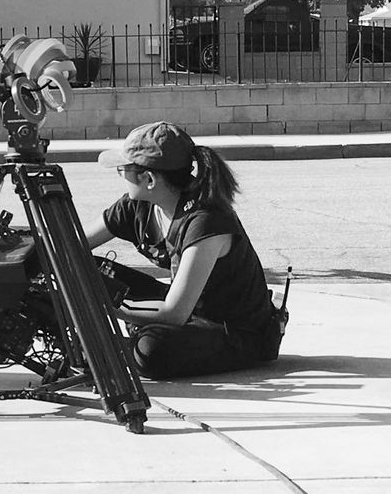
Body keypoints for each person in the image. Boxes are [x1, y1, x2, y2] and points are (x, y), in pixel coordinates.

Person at [84, 121, 274, 379]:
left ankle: (113, 348)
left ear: (148, 179)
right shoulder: (137, 206)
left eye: (123, 169)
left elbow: (175, 313)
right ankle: (124, 338)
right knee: (80, 267)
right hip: (188, 310)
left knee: (150, 352)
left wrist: (105, 307)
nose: (120, 175)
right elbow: (74, 244)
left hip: (228, 330)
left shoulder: (206, 220)